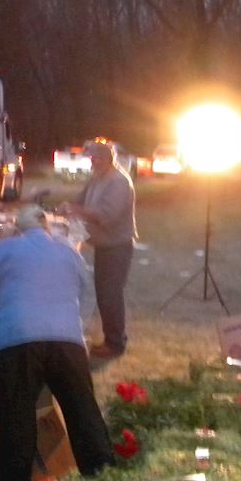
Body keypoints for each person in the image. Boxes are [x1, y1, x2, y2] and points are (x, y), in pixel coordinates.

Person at [0, 203, 116, 481]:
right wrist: (77, 330)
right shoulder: (70, 252)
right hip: (66, 341)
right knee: (82, 411)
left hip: (16, 339)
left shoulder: (1, 251)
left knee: (16, 415)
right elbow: (87, 295)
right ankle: (103, 479)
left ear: (18, 229)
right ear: (47, 229)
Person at [71, 139, 136, 359]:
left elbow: (106, 216)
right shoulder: (96, 179)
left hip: (117, 246)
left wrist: (77, 210)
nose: (93, 161)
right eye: (91, 157)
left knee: (110, 294)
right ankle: (110, 339)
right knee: (103, 293)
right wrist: (68, 209)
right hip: (103, 245)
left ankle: (116, 343)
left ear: (108, 159)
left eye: (97, 157)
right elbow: (79, 202)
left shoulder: (119, 182)